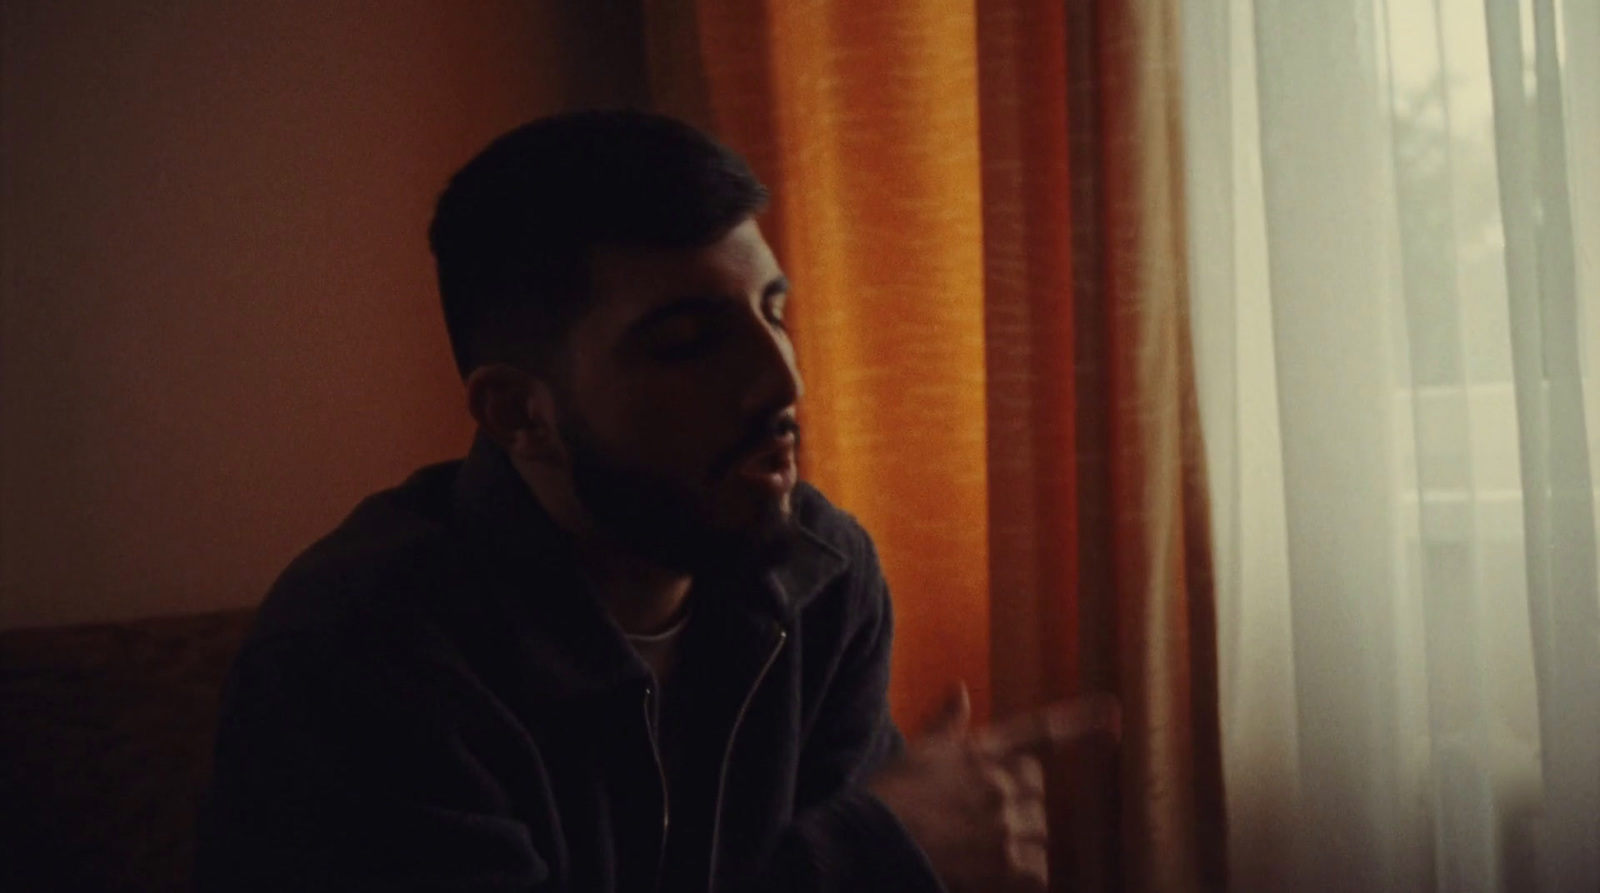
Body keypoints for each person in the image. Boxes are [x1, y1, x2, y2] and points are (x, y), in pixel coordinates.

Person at [195, 109, 1117, 893]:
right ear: (523, 413)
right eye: (687, 341)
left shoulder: (820, 579)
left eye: (773, 311)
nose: (780, 378)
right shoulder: (361, 660)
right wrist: (878, 852)